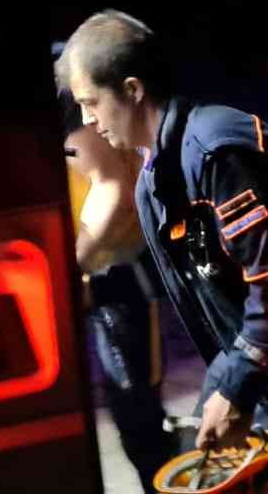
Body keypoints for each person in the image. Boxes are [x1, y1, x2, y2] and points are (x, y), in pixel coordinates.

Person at [55, 10, 268, 494]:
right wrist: (228, 383)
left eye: (92, 103)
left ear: (133, 90)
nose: (88, 122)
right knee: (207, 472)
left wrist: (237, 385)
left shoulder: (218, 150)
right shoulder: (158, 176)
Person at [63, 98, 180, 494]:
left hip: (117, 276)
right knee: (128, 415)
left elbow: (112, 187)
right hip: (100, 274)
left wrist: (69, 266)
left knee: (138, 416)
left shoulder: (65, 103)